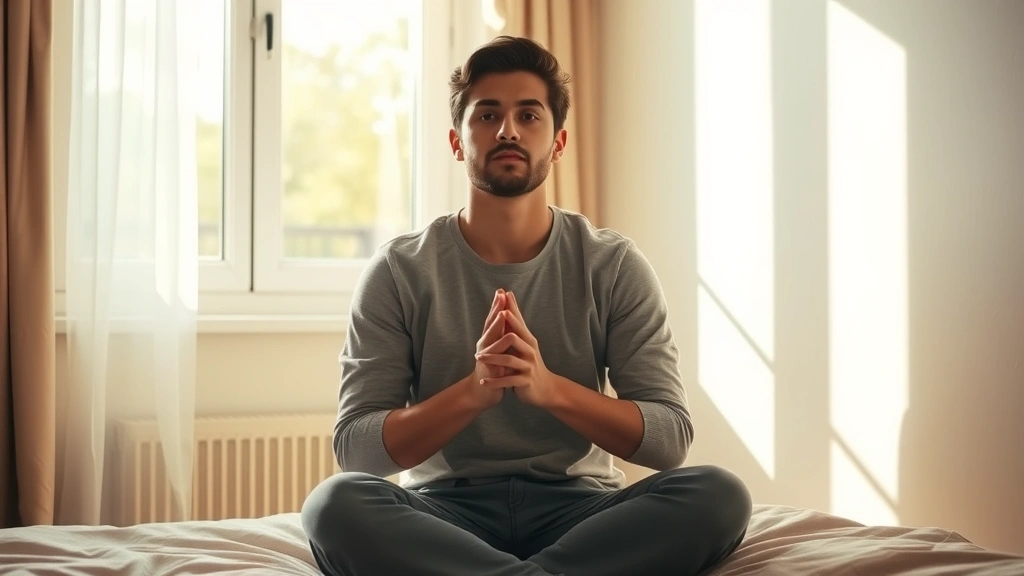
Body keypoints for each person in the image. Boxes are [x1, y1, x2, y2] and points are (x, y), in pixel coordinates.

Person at [301, 35, 752, 576]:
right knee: (334, 503)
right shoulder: (400, 270)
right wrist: (474, 391)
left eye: (528, 116)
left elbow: (669, 439)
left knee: (718, 493)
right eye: (487, 115)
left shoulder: (612, 264)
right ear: (457, 141)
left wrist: (548, 389)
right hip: (444, 515)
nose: (508, 131)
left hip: (583, 513)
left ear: (558, 143)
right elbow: (357, 451)